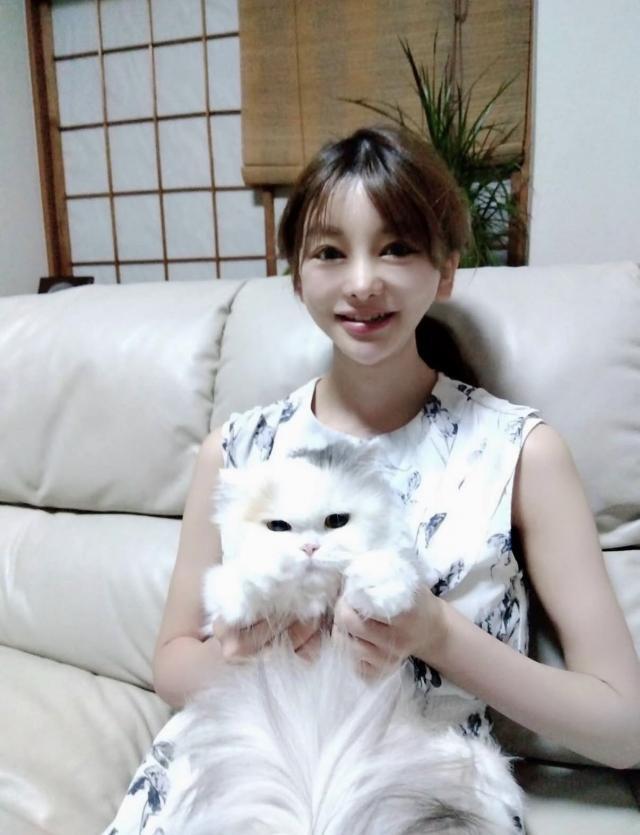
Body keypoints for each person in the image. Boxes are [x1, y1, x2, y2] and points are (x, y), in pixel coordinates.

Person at [103, 125, 640, 834]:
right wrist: (249, 656)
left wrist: (437, 634)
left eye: (397, 248)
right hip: (236, 763)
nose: (362, 282)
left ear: (445, 269)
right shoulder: (236, 452)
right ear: (297, 275)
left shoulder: (521, 453)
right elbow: (173, 663)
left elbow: (623, 726)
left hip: (421, 786)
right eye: (330, 252)